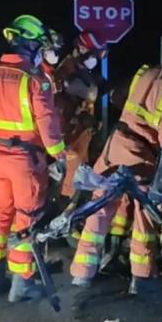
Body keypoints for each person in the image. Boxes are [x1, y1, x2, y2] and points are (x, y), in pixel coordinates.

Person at [69, 37, 162, 295]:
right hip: (140, 155)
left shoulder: (147, 72)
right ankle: (143, 277)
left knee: (99, 207)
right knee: (146, 214)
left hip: (115, 144)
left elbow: (119, 98)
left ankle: (81, 274)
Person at [0, 15, 67, 302]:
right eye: (39, 46)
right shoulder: (36, 80)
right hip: (26, 161)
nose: (42, 52)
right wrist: (58, 155)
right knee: (27, 220)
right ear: (29, 45)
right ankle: (22, 284)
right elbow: (47, 120)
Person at [55, 31, 107, 199]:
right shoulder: (67, 69)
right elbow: (61, 101)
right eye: (93, 54)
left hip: (81, 133)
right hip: (70, 133)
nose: (96, 59)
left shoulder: (82, 70)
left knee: (79, 173)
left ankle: (72, 205)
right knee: (70, 175)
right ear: (82, 48)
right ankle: (63, 204)